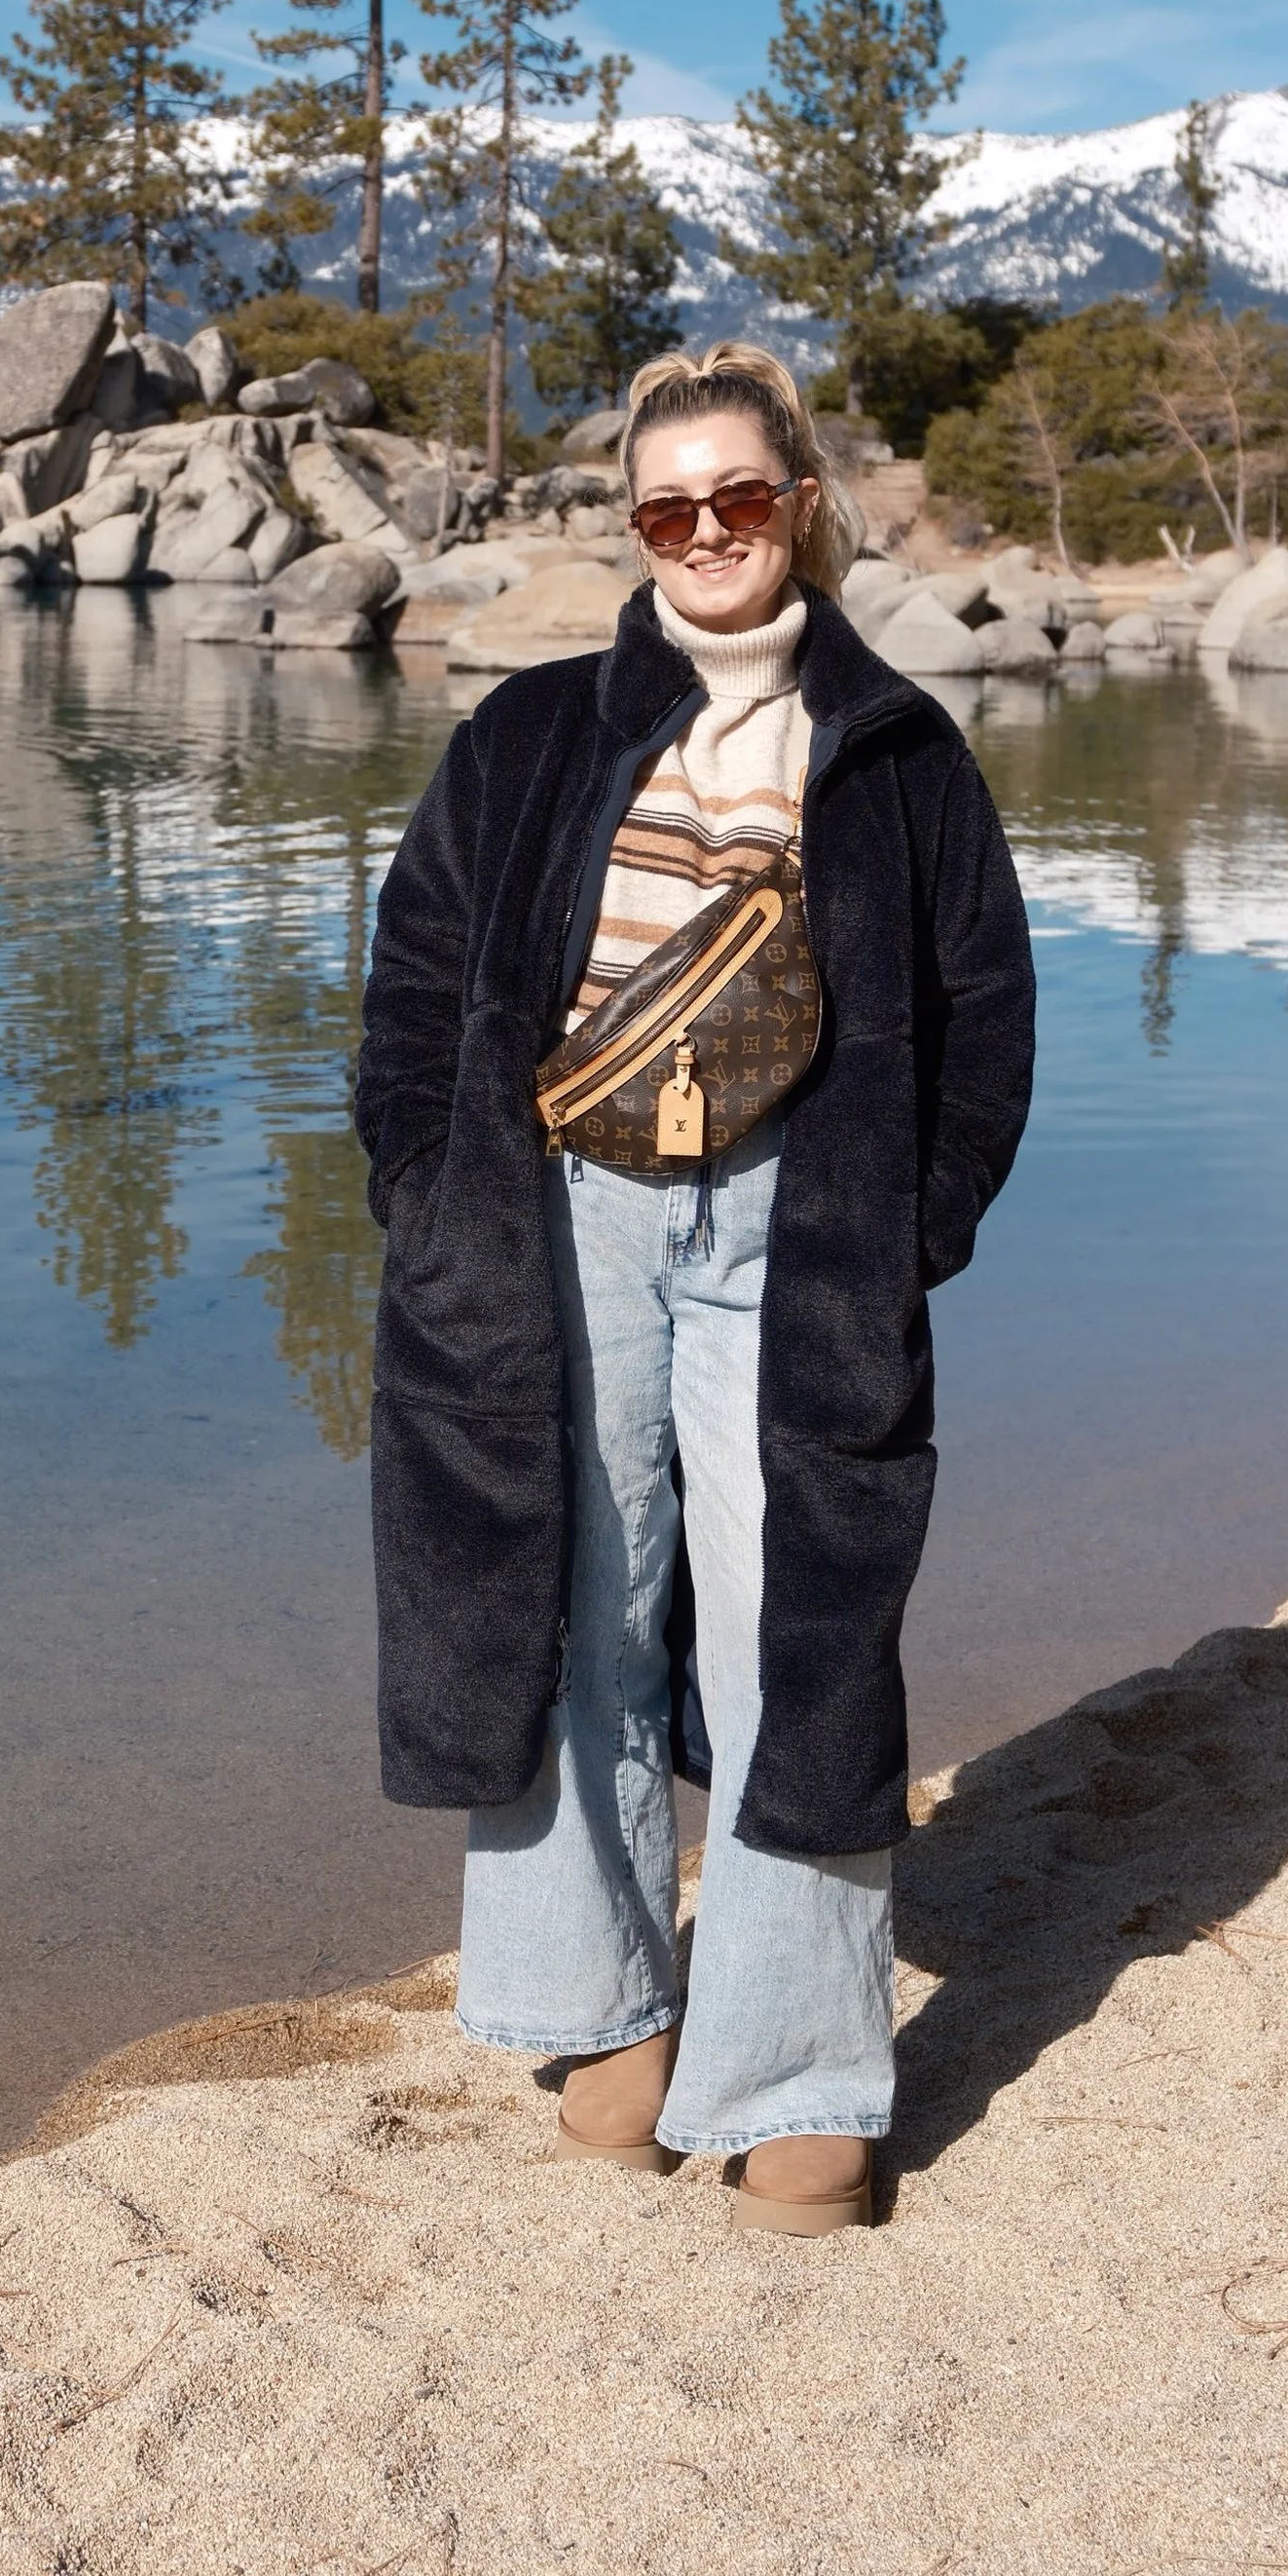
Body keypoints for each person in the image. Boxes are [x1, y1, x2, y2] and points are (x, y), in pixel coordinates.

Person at [355, 343, 1035, 2226]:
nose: (709, 533)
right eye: (670, 508)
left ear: (801, 504)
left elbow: (986, 1018)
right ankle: (601, 2008)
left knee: (796, 1631)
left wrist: (909, 1229)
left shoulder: (897, 754)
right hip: (557, 1223)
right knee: (564, 1602)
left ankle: (801, 2069)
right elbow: (415, 989)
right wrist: (433, 1190)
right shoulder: (529, 736)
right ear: (636, 528)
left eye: (742, 497)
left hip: (797, 1239)